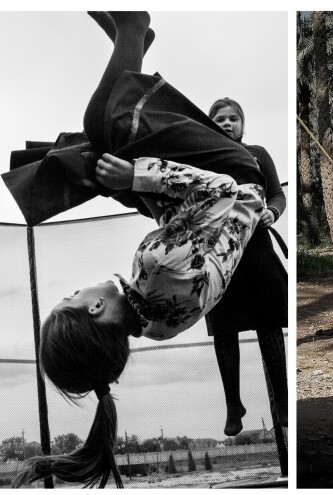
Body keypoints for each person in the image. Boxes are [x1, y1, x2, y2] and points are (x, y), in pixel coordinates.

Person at [12, 12, 270, 488]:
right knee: (105, 125)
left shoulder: (155, 325)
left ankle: (135, 43)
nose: (77, 288)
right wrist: (137, 180)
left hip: (203, 207)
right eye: (70, 294)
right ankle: (134, 29)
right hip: (239, 176)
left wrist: (126, 191)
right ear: (93, 306)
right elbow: (222, 191)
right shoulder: (156, 269)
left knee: (83, 162)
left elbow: (188, 232)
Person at [205, 97, 288, 436]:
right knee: (224, 329)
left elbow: (277, 194)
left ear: (242, 124)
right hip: (220, 255)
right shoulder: (204, 156)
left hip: (256, 250)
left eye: (233, 118)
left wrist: (273, 211)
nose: (227, 123)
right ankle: (233, 404)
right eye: (219, 118)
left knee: (268, 325)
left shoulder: (256, 153)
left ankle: (282, 402)